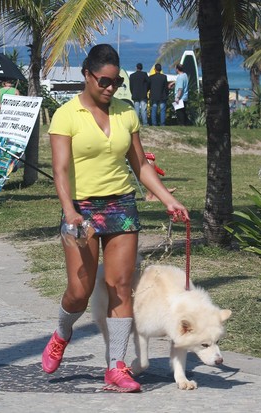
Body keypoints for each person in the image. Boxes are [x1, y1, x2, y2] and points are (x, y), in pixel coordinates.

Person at [43, 44, 189, 393]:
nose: (110, 88)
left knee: (121, 287)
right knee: (79, 293)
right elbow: (61, 170)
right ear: (87, 75)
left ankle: (116, 367)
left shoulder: (126, 113)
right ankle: (62, 332)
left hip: (121, 205)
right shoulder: (66, 115)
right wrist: (69, 212)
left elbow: (140, 165)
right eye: (104, 81)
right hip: (81, 208)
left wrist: (168, 199)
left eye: (116, 81)